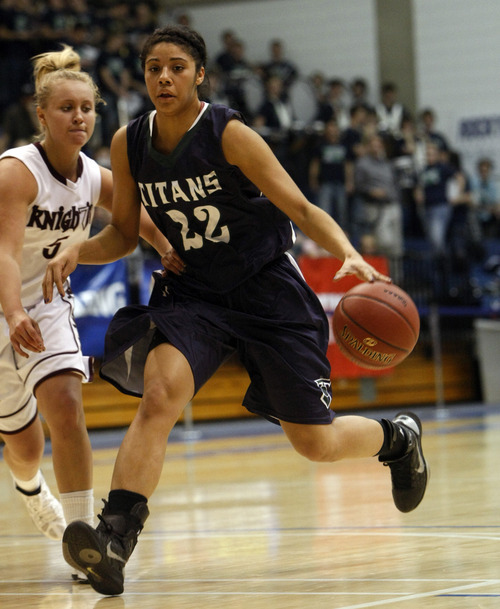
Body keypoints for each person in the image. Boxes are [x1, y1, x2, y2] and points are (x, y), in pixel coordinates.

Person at [43, 25, 429, 596]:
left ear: (200, 74)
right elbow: (124, 234)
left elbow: (297, 204)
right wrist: (81, 249)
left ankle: (396, 438)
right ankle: (114, 540)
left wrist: (348, 251)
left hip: (267, 291)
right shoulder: (129, 142)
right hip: (195, 293)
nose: (163, 77)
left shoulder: (230, 134)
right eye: (153, 67)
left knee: (313, 442)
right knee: (160, 394)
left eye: (176, 66)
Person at [0, 44, 167, 577]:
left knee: (68, 409)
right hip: (3, 307)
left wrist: (168, 251)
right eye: (67, 108)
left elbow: (136, 219)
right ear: (42, 114)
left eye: (87, 108)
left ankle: (85, 547)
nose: (79, 117)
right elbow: (3, 253)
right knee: (24, 446)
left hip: (46, 308)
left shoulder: (93, 175)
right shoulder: (17, 173)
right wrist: (11, 314)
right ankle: (30, 488)